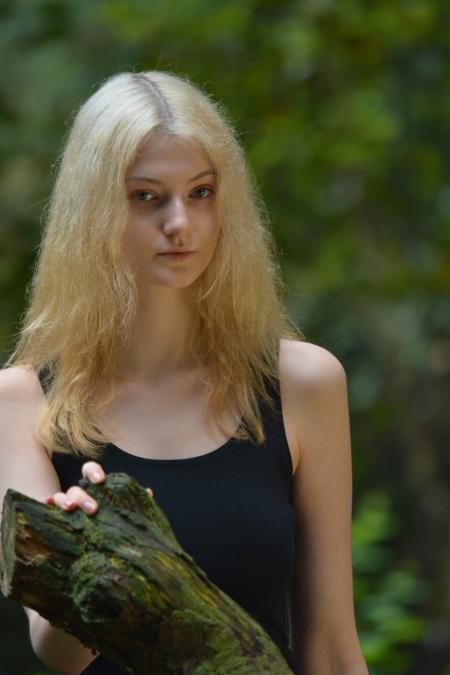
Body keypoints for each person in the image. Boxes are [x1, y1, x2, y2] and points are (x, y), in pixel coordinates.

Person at [0, 71, 368, 675]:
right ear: (92, 211)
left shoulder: (303, 385)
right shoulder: (24, 403)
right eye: (147, 196)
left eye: (200, 192)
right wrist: (108, 555)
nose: (180, 223)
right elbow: (55, 651)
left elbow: (331, 649)